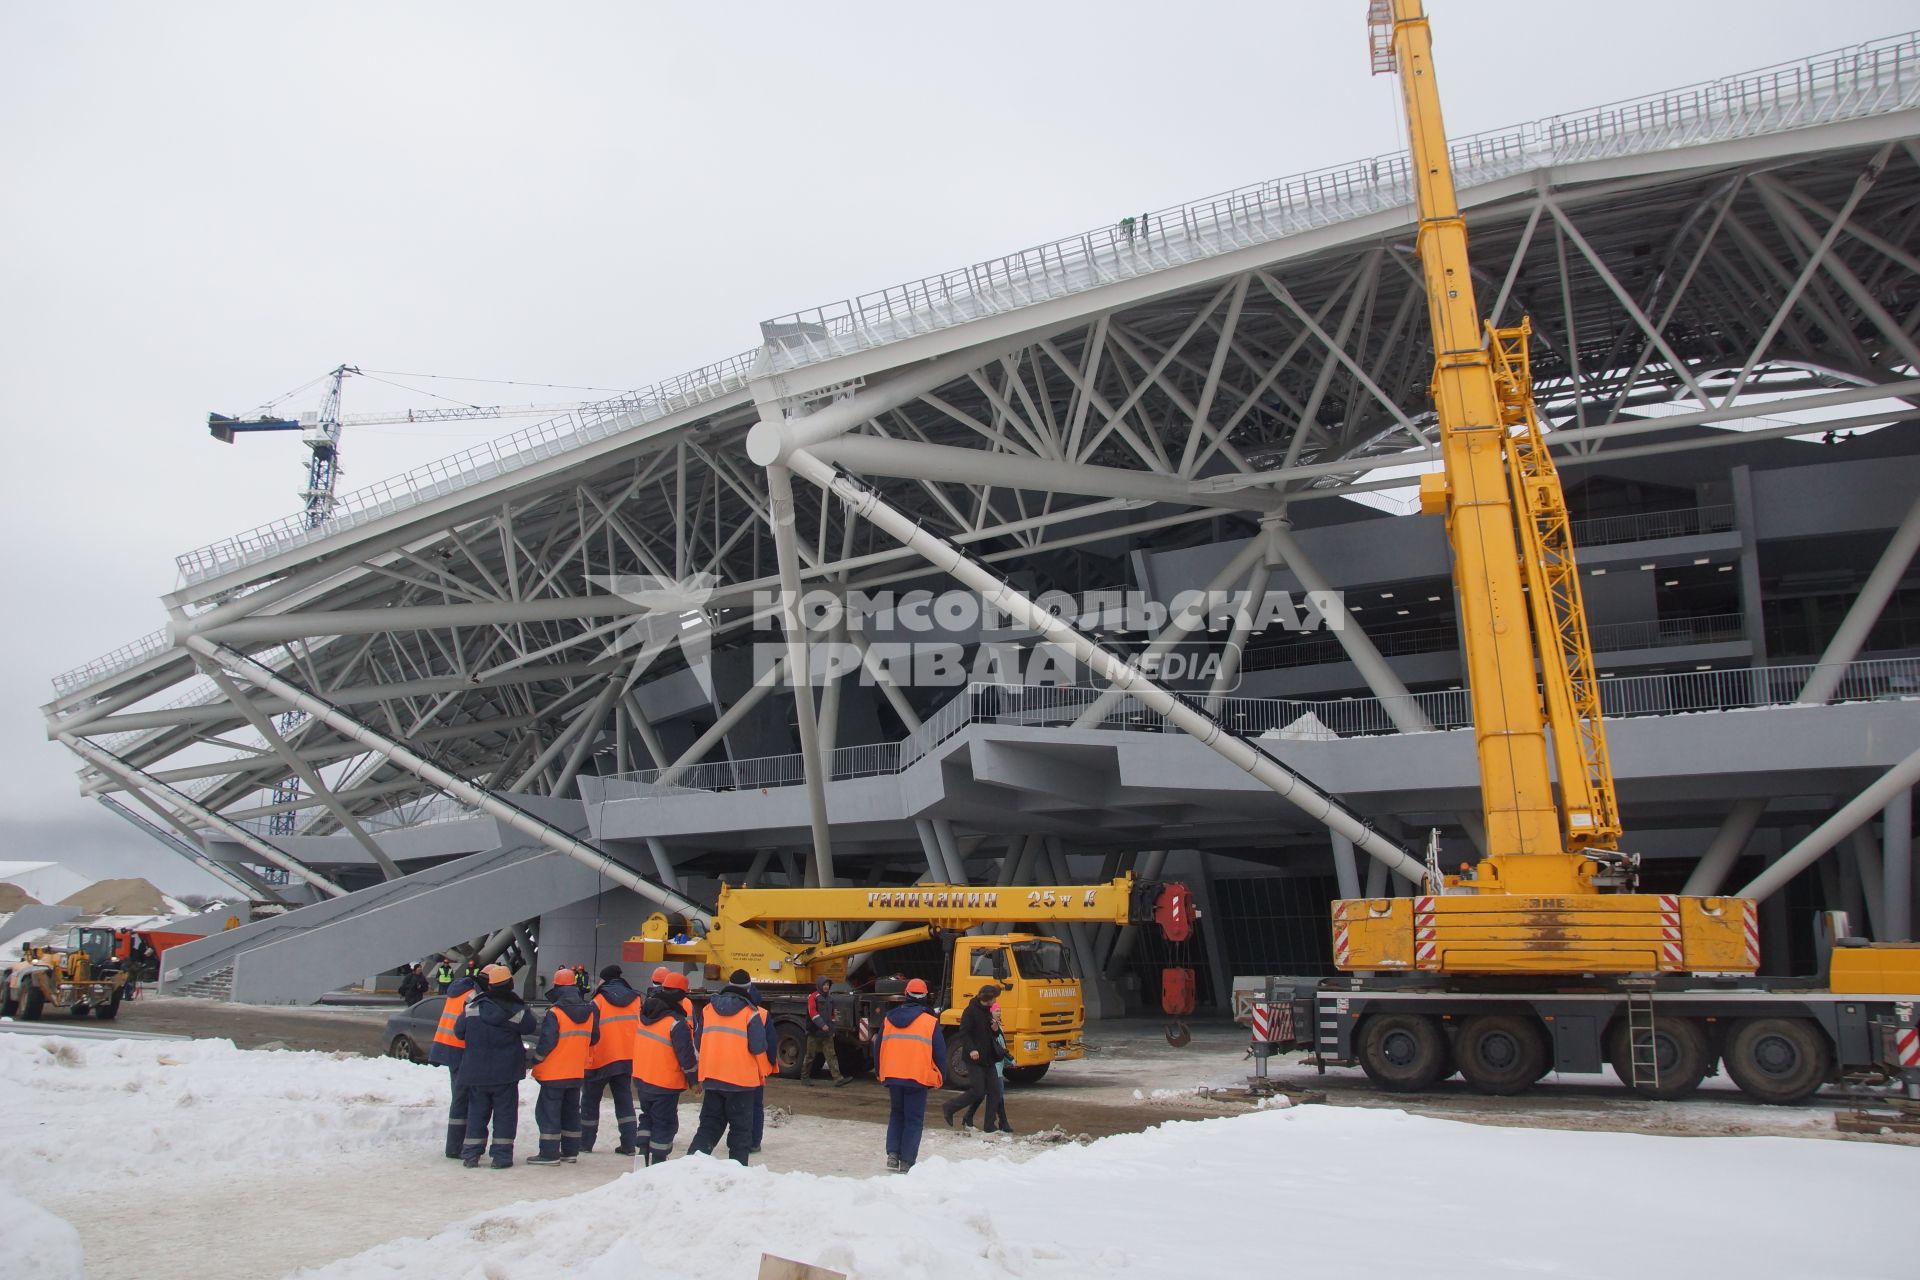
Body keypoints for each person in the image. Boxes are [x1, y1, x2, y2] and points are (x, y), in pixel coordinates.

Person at [685, 969, 769, 1166]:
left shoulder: (708, 1009)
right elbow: (758, 1046)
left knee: (708, 1127)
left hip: (713, 1078)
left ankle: (690, 1168)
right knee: (740, 1133)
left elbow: (698, 1042)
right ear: (748, 988)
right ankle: (737, 1173)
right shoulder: (750, 1013)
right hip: (741, 1082)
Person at [454, 962, 533, 1168]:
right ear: (510, 984)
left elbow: (459, 1032)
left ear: (490, 985)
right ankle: (501, 1157)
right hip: (505, 1073)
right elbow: (531, 1026)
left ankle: (471, 1154)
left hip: (475, 1071)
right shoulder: (516, 1009)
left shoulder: (473, 1007)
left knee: (476, 1114)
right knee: (505, 1115)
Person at [528, 967, 599, 1166]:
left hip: (554, 1072)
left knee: (548, 1112)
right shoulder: (590, 1011)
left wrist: (537, 1059)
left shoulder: (556, 1013)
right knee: (571, 1112)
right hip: (576, 1070)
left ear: (557, 987)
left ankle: (549, 1154)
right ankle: (570, 1151)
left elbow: (547, 1041)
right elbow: (594, 1038)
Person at [875, 977, 946, 1173]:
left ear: (906, 995)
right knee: (914, 1119)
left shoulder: (888, 1018)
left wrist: (879, 1071)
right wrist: (942, 1075)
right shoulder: (930, 1022)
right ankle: (907, 1161)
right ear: (925, 997)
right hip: (917, 1077)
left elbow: (878, 1046)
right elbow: (939, 1053)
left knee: (897, 1114)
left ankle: (893, 1155)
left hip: (892, 1075)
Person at [633, 970, 699, 1166]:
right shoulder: (675, 1023)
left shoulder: (644, 1013)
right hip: (664, 1083)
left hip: (642, 1077)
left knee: (646, 1118)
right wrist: (694, 1081)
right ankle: (658, 1163)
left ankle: (641, 1155)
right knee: (664, 1122)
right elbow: (685, 1056)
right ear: (681, 995)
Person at [580, 964, 642, 1155]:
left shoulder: (598, 1001)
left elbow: (591, 1031)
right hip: (626, 1058)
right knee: (624, 1100)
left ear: (604, 980)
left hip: (600, 1058)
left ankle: (585, 1143)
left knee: (590, 1101)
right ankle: (630, 1143)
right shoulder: (636, 999)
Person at [428, 966, 478, 1158]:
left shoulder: (455, 993)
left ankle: (454, 1145)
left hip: (445, 1047)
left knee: (458, 1095)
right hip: (459, 1049)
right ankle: (457, 1146)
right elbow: (472, 1024)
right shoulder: (471, 996)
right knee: (462, 1098)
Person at [941, 983, 1000, 1130]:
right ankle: (949, 1107)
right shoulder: (970, 1011)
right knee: (978, 1091)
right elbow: (964, 1033)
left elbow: (992, 1034)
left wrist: (995, 1028)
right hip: (974, 1058)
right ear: (987, 999)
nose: (995, 1002)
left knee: (994, 1091)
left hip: (989, 1058)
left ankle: (989, 1125)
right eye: (994, 999)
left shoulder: (988, 1011)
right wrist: (972, 1049)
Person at [803, 977, 850, 1086]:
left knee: (831, 1055)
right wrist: (822, 1025)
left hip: (827, 1033)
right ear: (819, 985)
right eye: (824, 984)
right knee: (810, 1056)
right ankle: (805, 1077)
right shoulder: (812, 997)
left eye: (828, 985)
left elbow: (832, 1016)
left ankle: (838, 1079)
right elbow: (813, 1013)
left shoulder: (830, 998)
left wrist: (832, 1029)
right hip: (814, 1032)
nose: (826, 987)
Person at [983, 1001, 1014, 1134]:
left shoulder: (999, 1027)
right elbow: (999, 1048)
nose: (999, 1013)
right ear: (990, 1013)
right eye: (996, 1011)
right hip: (994, 1066)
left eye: (1000, 1010)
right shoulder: (992, 1028)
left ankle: (1000, 1122)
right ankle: (1002, 1122)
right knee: (997, 1093)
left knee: (994, 1094)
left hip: (999, 1065)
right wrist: (1011, 1059)